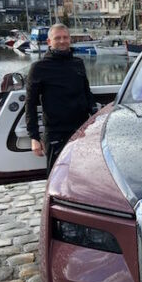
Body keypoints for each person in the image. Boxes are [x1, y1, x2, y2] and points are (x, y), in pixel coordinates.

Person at [25, 23, 95, 175]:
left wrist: (95, 119)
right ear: (49, 42)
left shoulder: (78, 63)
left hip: (81, 128)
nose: (62, 41)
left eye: (65, 37)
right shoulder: (38, 68)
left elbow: (87, 93)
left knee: (82, 173)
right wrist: (34, 137)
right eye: (58, 38)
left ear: (70, 39)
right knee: (57, 175)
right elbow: (30, 104)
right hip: (55, 131)